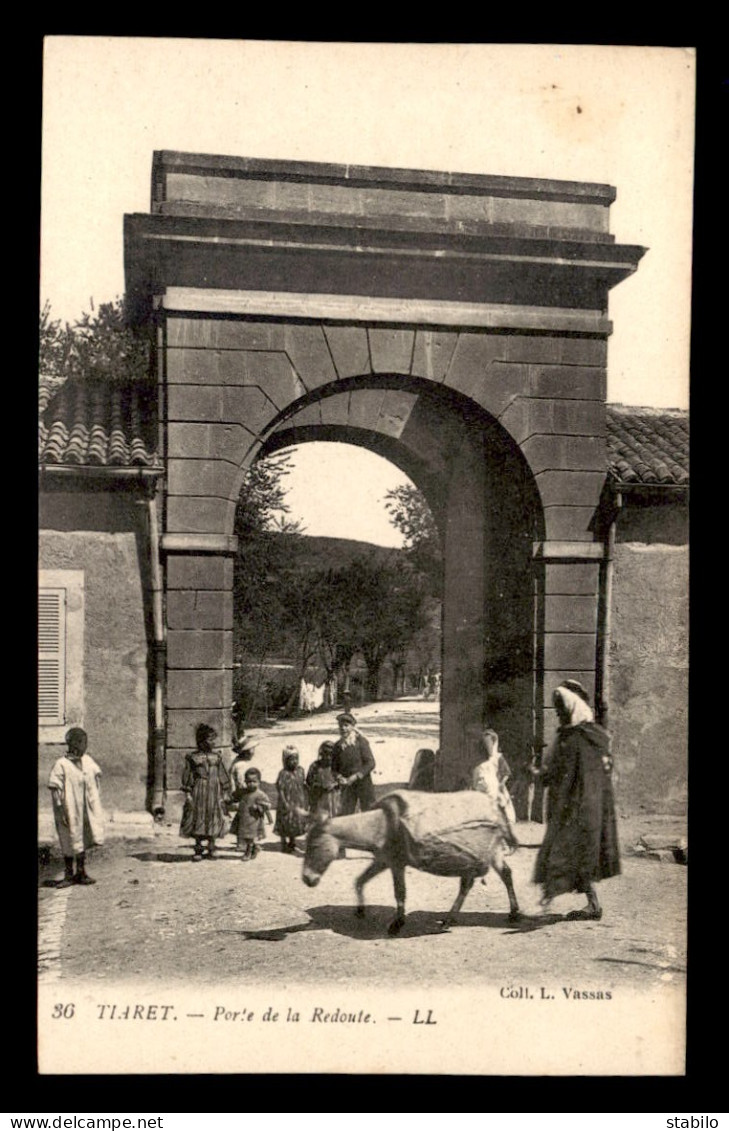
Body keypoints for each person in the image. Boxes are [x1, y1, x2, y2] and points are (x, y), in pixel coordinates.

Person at [534, 680, 620, 920]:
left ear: (571, 707)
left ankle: (546, 902)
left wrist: (543, 775)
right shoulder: (585, 735)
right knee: (576, 855)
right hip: (577, 806)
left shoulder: (578, 738)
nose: (559, 713)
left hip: (577, 807)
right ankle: (591, 904)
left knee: (563, 852)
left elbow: (566, 771)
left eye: (561, 708)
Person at [48, 727, 105, 887]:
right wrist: (61, 809)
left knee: (82, 837)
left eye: (85, 742)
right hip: (68, 808)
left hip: (85, 808)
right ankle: (68, 874)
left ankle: (81, 872)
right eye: (81, 742)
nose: (84, 746)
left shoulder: (88, 760)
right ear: (73, 744)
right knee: (68, 838)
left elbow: (96, 778)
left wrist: (94, 801)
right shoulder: (62, 764)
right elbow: (55, 789)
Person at [179, 724, 231, 861]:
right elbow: (188, 776)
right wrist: (188, 794)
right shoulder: (193, 757)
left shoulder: (217, 757)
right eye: (210, 739)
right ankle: (198, 847)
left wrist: (225, 791)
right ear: (201, 741)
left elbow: (222, 775)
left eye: (214, 739)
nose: (213, 742)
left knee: (213, 816)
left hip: (214, 792)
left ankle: (212, 846)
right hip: (199, 791)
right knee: (198, 817)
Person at [471, 728, 518, 847]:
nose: (489, 747)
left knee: (503, 814)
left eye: (491, 744)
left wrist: (501, 784)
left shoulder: (498, 758)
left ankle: (506, 841)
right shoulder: (481, 761)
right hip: (484, 791)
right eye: (486, 745)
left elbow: (506, 773)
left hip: (497, 789)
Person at [331, 712, 376, 815]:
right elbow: (333, 768)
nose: (343, 729)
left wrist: (356, 776)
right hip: (347, 786)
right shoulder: (337, 746)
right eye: (341, 726)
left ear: (352, 727)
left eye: (346, 726)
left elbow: (371, 763)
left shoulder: (361, 742)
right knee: (346, 813)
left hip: (363, 783)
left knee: (369, 811)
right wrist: (339, 777)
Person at [274, 745, 309, 853]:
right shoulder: (283, 773)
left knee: (294, 821)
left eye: (296, 759)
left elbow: (304, 784)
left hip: (297, 801)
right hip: (286, 801)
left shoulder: (301, 771)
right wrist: (284, 801)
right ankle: (284, 842)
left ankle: (292, 841)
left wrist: (305, 799)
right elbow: (280, 788)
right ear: (285, 760)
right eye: (291, 759)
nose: (294, 762)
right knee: (284, 821)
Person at [234, 767, 272, 860]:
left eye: (254, 781)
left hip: (254, 819)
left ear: (259, 782)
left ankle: (248, 851)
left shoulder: (260, 794)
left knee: (249, 836)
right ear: (245, 781)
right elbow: (235, 797)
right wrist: (228, 800)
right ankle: (254, 848)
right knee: (245, 835)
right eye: (248, 782)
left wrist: (258, 807)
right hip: (243, 818)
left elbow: (268, 805)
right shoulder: (243, 792)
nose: (251, 784)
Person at [306, 742, 341, 818]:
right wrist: (318, 786)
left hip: (334, 798)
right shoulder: (315, 766)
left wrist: (335, 785)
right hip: (319, 798)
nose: (328, 757)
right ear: (321, 754)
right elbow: (309, 781)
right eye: (326, 754)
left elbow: (343, 781)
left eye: (330, 754)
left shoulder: (338, 765)